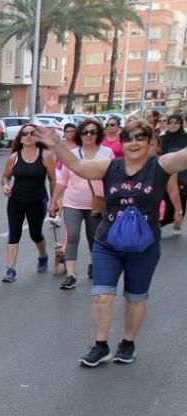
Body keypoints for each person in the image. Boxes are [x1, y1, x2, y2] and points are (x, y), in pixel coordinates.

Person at [36, 120, 187, 367]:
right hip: (107, 242)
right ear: (122, 143)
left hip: (144, 246)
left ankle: (128, 342)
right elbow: (78, 166)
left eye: (140, 138)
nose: (134, 143)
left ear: (150, 143)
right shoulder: (110, 167)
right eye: (128, 138)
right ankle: (101, 345)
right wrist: (57, 144)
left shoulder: (159, 166)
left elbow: (183, 156)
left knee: (135, 298)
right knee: (101, 296)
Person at [48, 118, 114, 289]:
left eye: (93, 132)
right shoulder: (72, 154)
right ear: (80, 135)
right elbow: (62, 181)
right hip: (72, 202)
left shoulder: (106, 153)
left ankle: (94, 264)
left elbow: (113, 180)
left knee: (94, 239)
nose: (88, 135)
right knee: (72, 237)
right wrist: (54, 201)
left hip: (96, 204)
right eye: (85, 132)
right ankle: (71, 274)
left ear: (99, 134)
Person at [0, 123, 57, 282]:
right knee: (14, 233)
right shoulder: (14, 156)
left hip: (37, 200)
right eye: (25, 134)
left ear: (37, 137)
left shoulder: (45, 155)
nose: (28, 136)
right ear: (21, 138)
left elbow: (53, 180)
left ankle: (43, 256)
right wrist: (5, 186)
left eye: (32, 133)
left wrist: (54, 201)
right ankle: (10, 269)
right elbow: (5, 176)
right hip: (16, 200)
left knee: (35, 233)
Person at [159, 113, 187, 233]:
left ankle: (178, 218)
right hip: (167, 172)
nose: (173, 125)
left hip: (183, 174)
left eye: (176, 122)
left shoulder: (185, 137)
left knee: (181, 197)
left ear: (181, 124)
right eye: (170, 122)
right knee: (166, 197)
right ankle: (164, 220)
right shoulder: (163, 138)